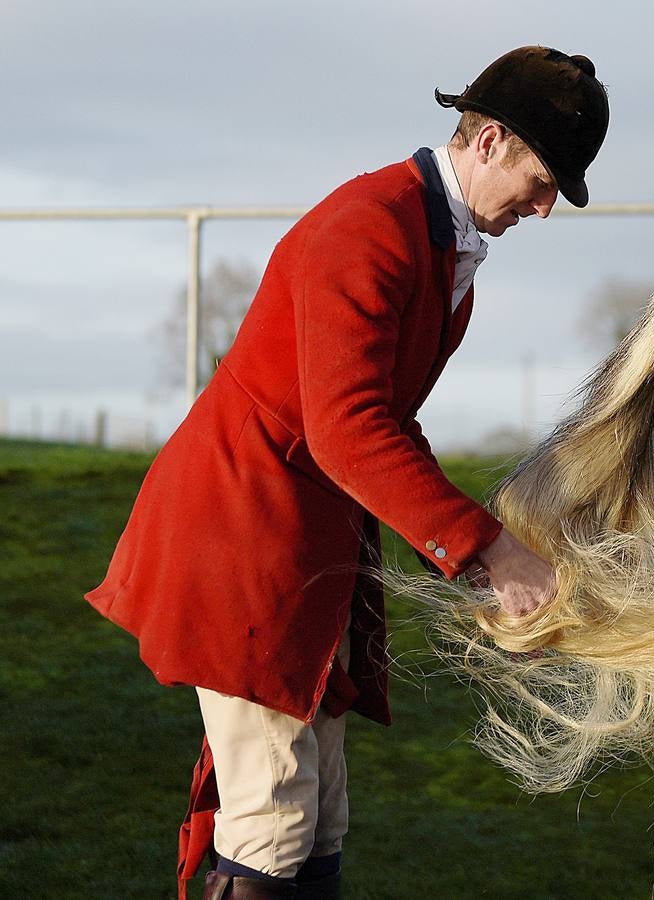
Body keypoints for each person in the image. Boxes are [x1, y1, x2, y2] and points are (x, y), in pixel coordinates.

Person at [84, 46, 609, 900]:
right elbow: (348, 431)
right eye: (543, 180)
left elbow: (386, 422)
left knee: (320, 816)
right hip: (242, 533)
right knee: (273, 820)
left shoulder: (437, 243)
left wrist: (476, 547)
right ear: (489, 142)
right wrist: (488, 550)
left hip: (302, 546)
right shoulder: (369, 225)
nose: (545, 207)